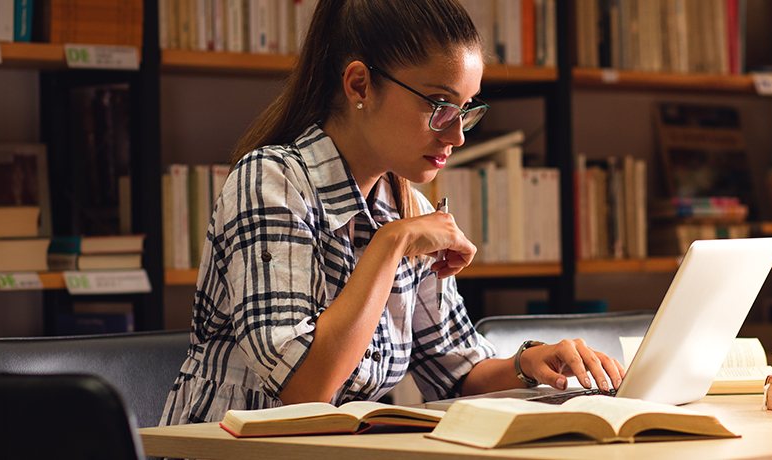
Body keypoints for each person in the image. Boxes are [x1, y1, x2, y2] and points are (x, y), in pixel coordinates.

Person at [161, 0, 623, 425]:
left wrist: (528, 363)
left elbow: (456, 372)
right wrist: (392, 243)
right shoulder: (270, 182)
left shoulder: (407, 206)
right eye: (440, 106)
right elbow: (304, 388)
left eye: (466, 109)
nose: (457, 135)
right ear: (359, 85)